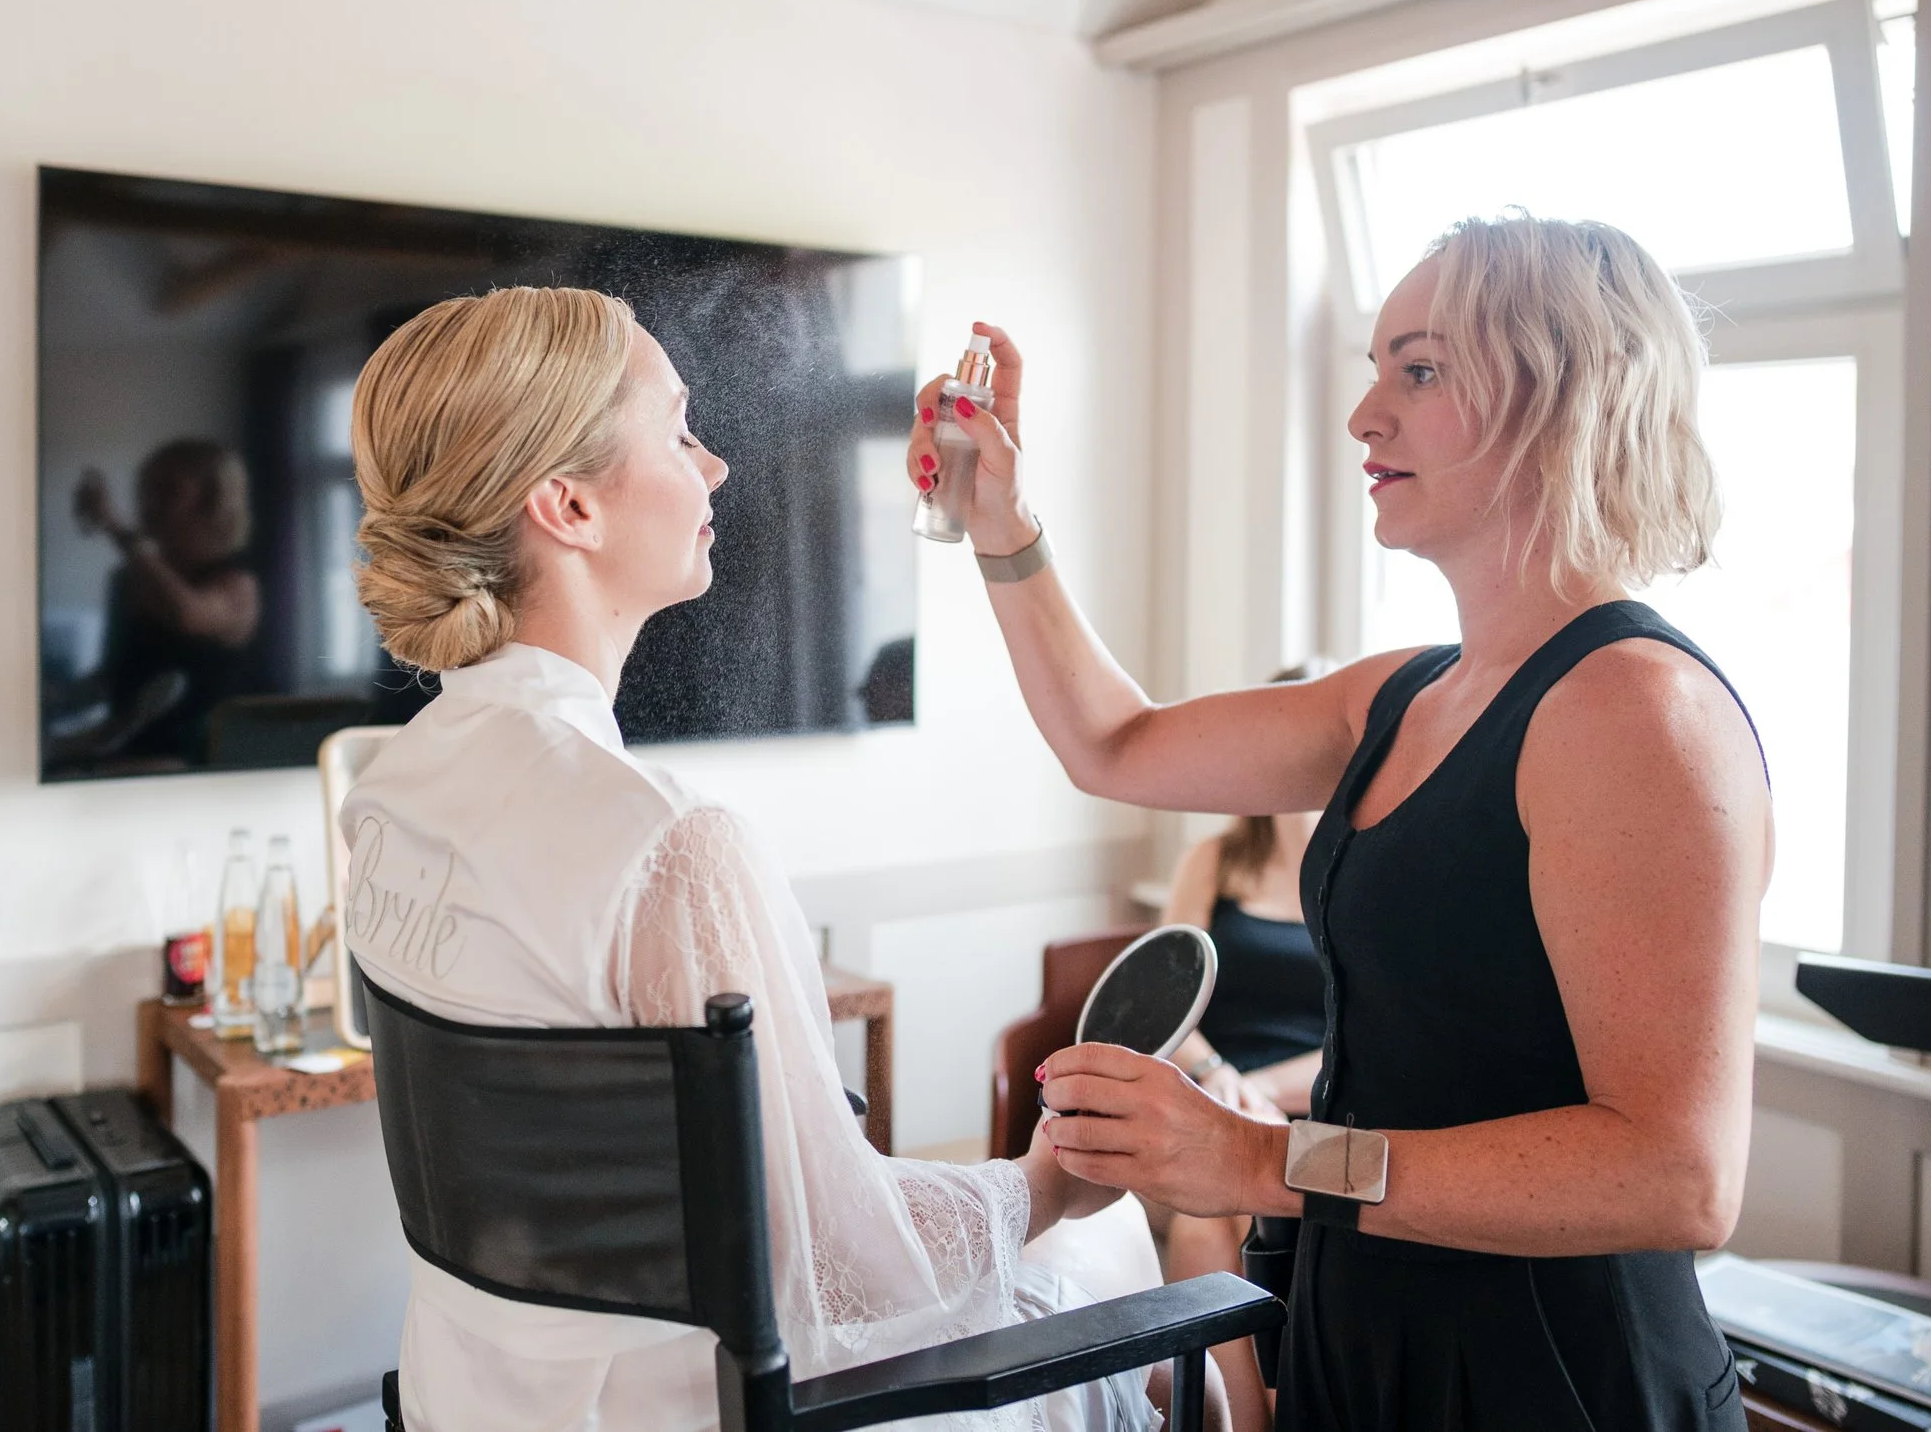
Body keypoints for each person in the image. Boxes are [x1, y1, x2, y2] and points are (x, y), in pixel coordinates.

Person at [912, 215, 1772, 1431]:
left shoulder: (1636, 710)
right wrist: (1001, 519)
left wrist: (1264, 1160)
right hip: (1363, 1325)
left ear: (1562, 395)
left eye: (1417, 371)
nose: (1364, 414)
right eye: (1374, 368)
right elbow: (1113, 743)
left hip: (1550, 1376)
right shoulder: (1405, 691)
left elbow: (1677, 1175)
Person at [336, 287, 1193, 1432]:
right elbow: (844, 1261)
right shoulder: (669, 843)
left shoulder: (385, 791)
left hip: (476, 1397)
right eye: (680, 429)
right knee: (1120, 1248)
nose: (718, 466)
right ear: (569, 503)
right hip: (696, 1409)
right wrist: (1049, 1182)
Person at [1152, 678, 1327, 1432]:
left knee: (1225, 1201)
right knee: (1202, 1205)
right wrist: (1217, 1076)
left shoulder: (1361, 869)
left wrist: (1251, 1087)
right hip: (1206, 1090)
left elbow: (1363, 1037)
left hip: (1310, 1110)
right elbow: (1167, 1002)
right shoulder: (1215, 859)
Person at [64, 439, 261, 766]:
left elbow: (189, 615)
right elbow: (115, 678)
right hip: (127, 758)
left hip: (203, 768)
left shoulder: (238, 583)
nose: (148, 503)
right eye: (145, 489)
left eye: (169, 491)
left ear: (213, 502)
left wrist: (117, 530)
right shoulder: (127, 580)